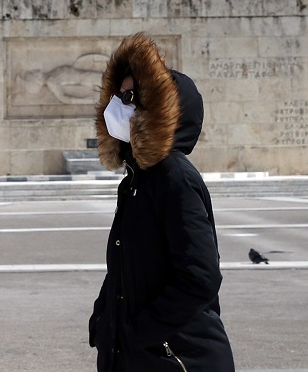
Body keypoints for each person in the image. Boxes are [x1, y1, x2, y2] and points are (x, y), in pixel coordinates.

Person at [88, 33, 235, 372]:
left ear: (158, 110)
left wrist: (138, 332)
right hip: (141, 356)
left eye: (129, 96)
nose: (117, 104)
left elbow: (199, 277)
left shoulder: (173, 177)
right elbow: (126, 270)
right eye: (118, 95)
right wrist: (104, 321)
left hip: (176, 357)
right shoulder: (139, 179)